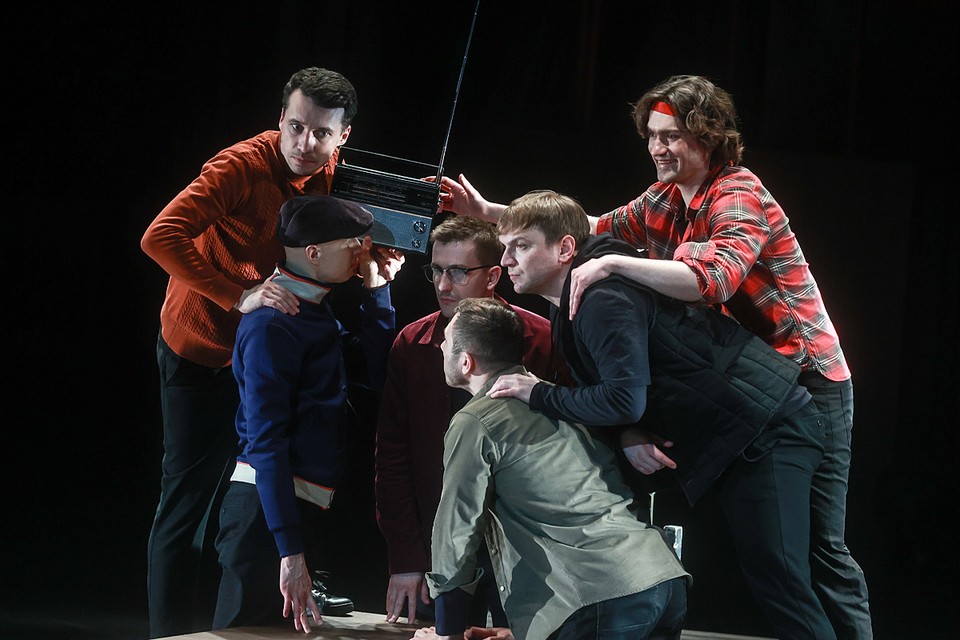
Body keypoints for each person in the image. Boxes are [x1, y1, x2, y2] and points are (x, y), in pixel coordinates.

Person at [440, 75, 871, 640]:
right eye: (651, 135)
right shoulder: (664, 199)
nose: (658, 147)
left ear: (708, 136)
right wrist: (491, 213)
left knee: (820, 550)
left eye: (672, 136)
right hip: (740, 384)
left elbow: (713, 279)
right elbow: (583, 228)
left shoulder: (737, 192)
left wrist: (613, 263)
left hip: (808, 376)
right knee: (783, 560)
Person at [487, 190, 840, 640]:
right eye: (505, 247)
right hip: (738, 434)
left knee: (783, 577)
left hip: (768, 429)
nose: (507, 259)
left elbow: (622, 399)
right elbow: (626, 394)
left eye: (521, 246)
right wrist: (629, 431)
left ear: (564, 249)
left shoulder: (602, 299)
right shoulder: (575, 300)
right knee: (776, 576)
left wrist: (539, 394)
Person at [141, 67, 359, 637]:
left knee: (259, 488)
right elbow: (159, 236)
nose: (304, 143)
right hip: (202, 349)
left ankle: (260, 609)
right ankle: (169, 632)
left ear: (342, 137)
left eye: (321, 133)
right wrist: (238, 295)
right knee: (185, 504)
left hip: (264, 352)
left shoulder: (332, 170)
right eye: (295, 127)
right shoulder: (240, 166)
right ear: (280, 119)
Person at [414, 297, 689, 640]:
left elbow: (456, 530)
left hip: (599, 599)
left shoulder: (476, 420)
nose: (441, 347)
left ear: (466, 361)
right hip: (661, 581)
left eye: (446, 341)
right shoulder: (563, 400)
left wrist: (448, 631)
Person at [213, 194, 404, 633]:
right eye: (354, 242)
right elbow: (266, 440)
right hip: (266, 513)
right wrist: (289, 548)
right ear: (313, 253)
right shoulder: (273, 322)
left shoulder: (310, 309)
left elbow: (377, 372)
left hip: (294, 508)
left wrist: (378, 291)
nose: (363, 250)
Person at [375, 215, 558, 627]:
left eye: (458, 272)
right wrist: (406, 558)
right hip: (438, 546)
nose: (443, 285)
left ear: (493, 276)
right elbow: (392, 456)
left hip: (527, 548)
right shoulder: (412, 343)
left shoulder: (540, 337)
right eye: (436, 270)